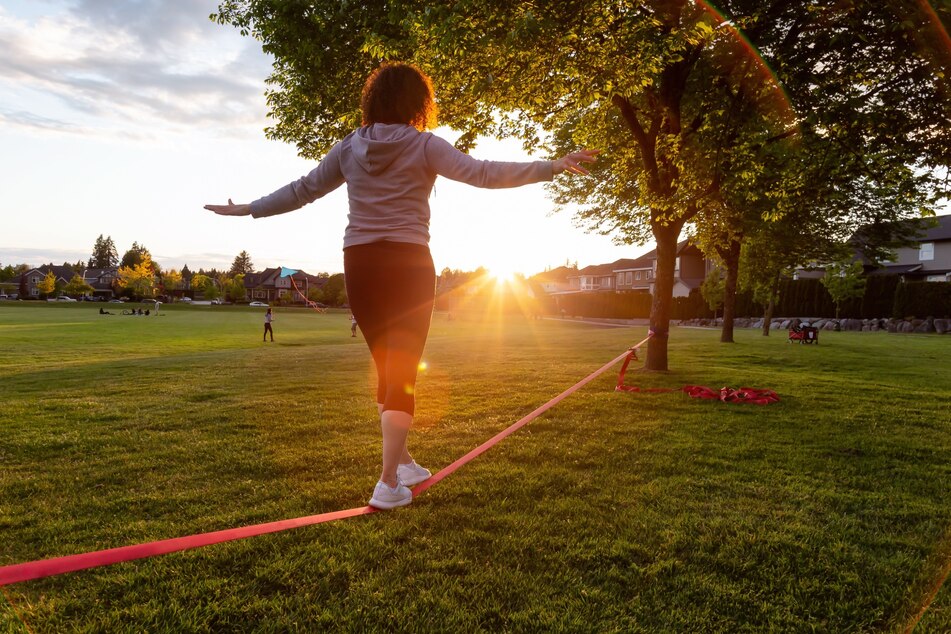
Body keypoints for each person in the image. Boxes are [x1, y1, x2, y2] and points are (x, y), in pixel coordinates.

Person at [206, 62, 597, 510]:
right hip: (408, 262)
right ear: (418, 103)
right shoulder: (425, 145)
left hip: (360, 263)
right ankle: (388, 482)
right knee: (403, 372)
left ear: (373, 100)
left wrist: (248, 210)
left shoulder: (350, 147)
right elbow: (483, 173)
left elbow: (302, 190)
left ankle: (404, 461)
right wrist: (553, 166)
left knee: (388, 367)